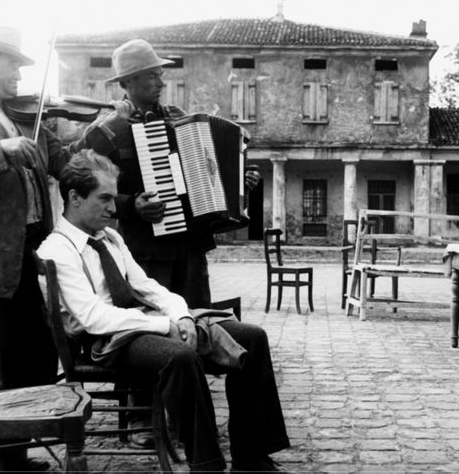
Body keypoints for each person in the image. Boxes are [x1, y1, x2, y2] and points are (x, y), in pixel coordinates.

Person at [36, 150, 289, 472]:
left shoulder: (109, 238)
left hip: (140, 323)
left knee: (252, 337)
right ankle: (206, 464)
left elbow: (147, 286)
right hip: (105, 341)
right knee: (179, 355)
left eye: (113, 198)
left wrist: (180, 316)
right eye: (105, 198)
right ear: (74, 197)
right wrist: (161, 326)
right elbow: (93, 318)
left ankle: (251, 458)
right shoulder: (57, 250)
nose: (113, 208)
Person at [0, 24, 115, 470]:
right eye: (11, 65)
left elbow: (69, 166)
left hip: (30, 259)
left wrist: (102, 129)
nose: (19, 75)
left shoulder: (24, 119)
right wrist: (1, 150)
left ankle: (12, 455)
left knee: (30, 361)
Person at [88, 38, 259, 310]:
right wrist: (132, 205)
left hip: (192, 248)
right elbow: (87, 189)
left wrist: (240, 181)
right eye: (151, 76)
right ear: (127, 82)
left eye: (160, 75)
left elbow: (208, 173)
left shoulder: (178, 118)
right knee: (155, 323)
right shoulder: (109, 128)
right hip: (147, 254)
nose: (161, 83)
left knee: (199, 319)